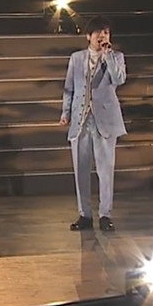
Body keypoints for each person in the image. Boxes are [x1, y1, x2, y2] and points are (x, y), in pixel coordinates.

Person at [60, 15, 127, 231]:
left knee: (105, 171)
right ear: (88, 36)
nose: (102, 36)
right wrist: (65, 112)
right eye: (98, 32)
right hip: (81, 120)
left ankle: (105, 215)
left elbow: (119, 79)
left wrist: (108, 57)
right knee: (81, 170)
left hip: (105, 121)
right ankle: (85, 215)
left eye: (106, 32)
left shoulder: (116, 57)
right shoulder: (76, 58)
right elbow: (69, 88)